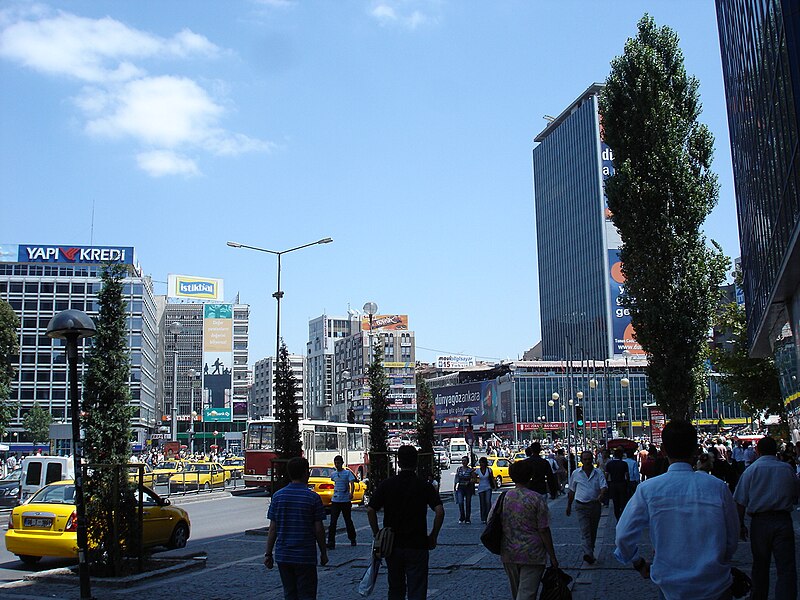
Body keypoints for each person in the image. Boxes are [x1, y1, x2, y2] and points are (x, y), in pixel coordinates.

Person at [614, 420, 739, 600]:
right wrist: (718, 561)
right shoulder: (717, 487)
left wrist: (638, 563)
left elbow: (623, 536)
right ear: (696, 450)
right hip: (715, 586)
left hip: (670, 587)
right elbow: (732, 538)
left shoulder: (648, 489)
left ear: (663, 450)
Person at [367, 445, 445, 600]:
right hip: (417, 544)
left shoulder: (387, 484)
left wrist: (377, 534)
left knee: (395, 588)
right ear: (416, 462)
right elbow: (440, 511)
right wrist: (433, 535)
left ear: (398, 462)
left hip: (392, 545)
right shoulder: (424, 486)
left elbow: (370, 510)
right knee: (417, 588)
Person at [733, 435, 799, 600]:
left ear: (758, 450)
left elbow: (740, 501)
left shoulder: (752, 470)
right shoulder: (786, 469)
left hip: (760, 522)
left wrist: (740, 524)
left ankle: (759, 596)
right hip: (783, 520)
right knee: (786, 567)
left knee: (760, 565)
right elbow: (795, 494)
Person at [492, 459, 559, 599]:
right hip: (533, 554)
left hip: (509, 552)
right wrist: (552, 556)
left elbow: (490, 520)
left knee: (517, 593)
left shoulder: (504, 497)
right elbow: (543, 529)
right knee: (527, 594)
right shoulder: (536, 499)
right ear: (530, 476)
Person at [264, 456, 328, 600]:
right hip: (305, 556)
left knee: (290, 594)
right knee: (307, 595)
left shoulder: (278, 497)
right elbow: (319, 529)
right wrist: (323, 552)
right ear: (306, 473)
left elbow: (273, 528)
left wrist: (268, 554)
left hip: (284, 555)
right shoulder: (313, 498)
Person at [566, 450, 607, 564]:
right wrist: (568, 506)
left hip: (595, 505)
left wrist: (601, 494)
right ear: (582, 461)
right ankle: (587, 553)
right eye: (585, 459)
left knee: (593, 530)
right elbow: (571, 490)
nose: (587, 461)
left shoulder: (598, 473)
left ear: (592, 460)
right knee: (585, 531)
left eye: (589, 459)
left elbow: (604, 486)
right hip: (581, 505)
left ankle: (591, 551)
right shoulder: (576, 473)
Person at [327, 455, 357, 549]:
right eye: (335, 463)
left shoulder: (347, 473)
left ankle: (352, 538)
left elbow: (352, 483)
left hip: (345, 500)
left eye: (338, 463)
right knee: (333, 522)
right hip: (335, 500)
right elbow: (333, 481)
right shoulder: (334, 474)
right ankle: (331, 542)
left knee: (348, 520)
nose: (337, 465)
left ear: (342, 463)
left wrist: (351, 493)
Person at [605, 447, 630, 521]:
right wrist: (628, 483)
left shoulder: (609, 464)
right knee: (623, 502)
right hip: (622, 484)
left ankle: (617, 517)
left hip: (613, 485)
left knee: (615, 502)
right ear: (621, 456)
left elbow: (606, 475)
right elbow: (627, 475)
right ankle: (622, 516)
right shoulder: (624, 464)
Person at [453, 456, 476, 523]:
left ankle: (467, 518)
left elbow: (474, 478)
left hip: (468, 488)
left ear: (467, 462)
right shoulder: (459, 469)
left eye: (465, 460)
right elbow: (457, 478)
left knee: (468, 503)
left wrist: (470, 481)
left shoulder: (470, 470)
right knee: (460, 502)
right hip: (461, 487)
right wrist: (455, 486)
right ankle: (462, 516)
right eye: (462, 460)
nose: (463, 462)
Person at [475, 456, 495, 524]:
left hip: (488, 487)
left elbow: (492, 478)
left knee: (488, 502)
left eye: (482, 463)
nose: (481, 464)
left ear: (485, 463)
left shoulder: (489, 470)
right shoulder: (477, 470)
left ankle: (489, 516)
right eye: (480, 463)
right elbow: (473, 476)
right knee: (482, 503)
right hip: (481, 488)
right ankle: (483, 518)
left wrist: (494, 486)